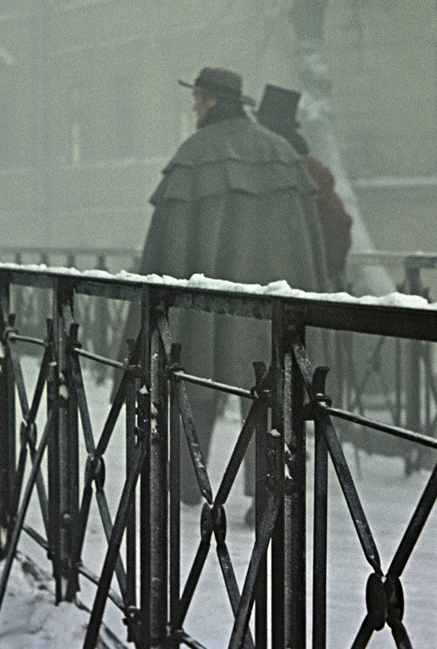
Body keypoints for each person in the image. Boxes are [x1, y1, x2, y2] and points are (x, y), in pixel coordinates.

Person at [139, 67, 329, 503]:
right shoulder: (281, 152)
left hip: (208, 308)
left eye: (196, 101)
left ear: (207, 101)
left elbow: (165, 246)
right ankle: (264, 495)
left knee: (196, 384)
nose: (194, 108)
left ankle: (187, 487)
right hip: (273, 308)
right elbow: (309, 248)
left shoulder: (194, 154)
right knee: (266, 394)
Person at [255, 84, 353, 288]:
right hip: (303, 273)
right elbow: (337, 223)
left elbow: (335, 224)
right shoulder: (309, 168)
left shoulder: (303, 169)